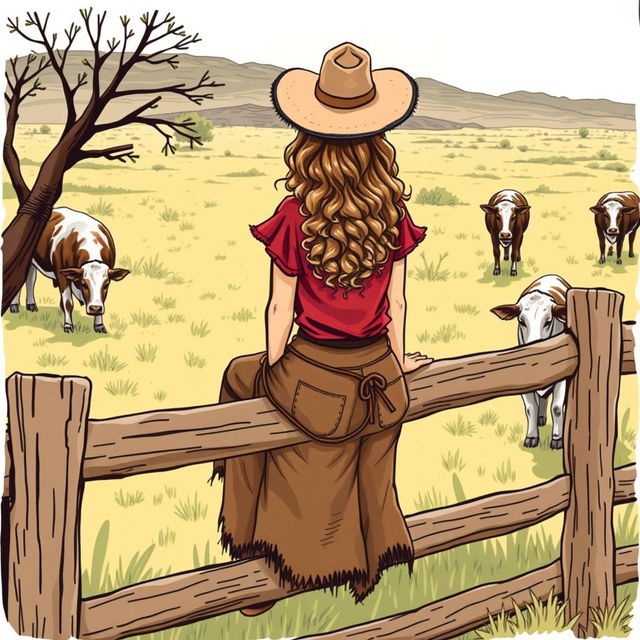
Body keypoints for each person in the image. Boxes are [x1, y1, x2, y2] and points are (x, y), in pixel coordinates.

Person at [211, 42, 431, 616]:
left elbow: (278, 311)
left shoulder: (294, 215)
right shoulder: (391, 213)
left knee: (241, 381)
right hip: (381, 372)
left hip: (315, 371)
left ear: (310, 142)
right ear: (377, 143)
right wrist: (402, 361)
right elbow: (399, 302)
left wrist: (274, 361)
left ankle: (253, 550)